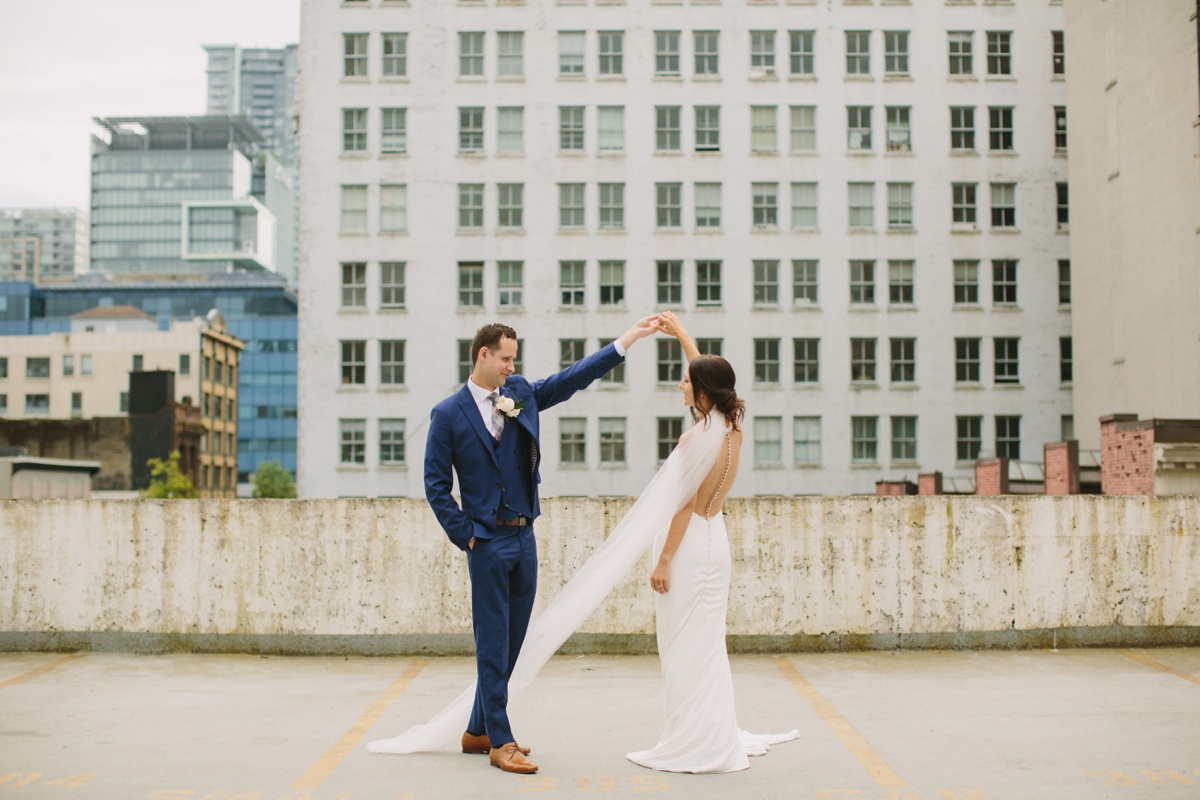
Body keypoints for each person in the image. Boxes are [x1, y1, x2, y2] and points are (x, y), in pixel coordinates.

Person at [416, 318, 658, 774]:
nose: (512, 365)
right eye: (506, 357)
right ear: (483, 355)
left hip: (524, 536)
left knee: (512, 643)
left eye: (514, 358)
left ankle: (476, 730)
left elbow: (570, 380)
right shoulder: (447, 414)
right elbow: (434, 485)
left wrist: (625, 343)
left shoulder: (521, 392)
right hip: (486, 542)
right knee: (491, 642)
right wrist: (467, 535)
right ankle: (500, 742)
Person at [626, 311, 799, 773]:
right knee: (705, 646)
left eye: (686, 382)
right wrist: (682, 335)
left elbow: (682, 507)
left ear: (702, 394)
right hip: (715, 543)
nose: (680, 386)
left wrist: (663, 560)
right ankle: (709, 731)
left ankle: (692, 740)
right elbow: (706, 372)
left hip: (687, 548)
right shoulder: (730, 428)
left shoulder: (694, 440)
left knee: (684, 647)